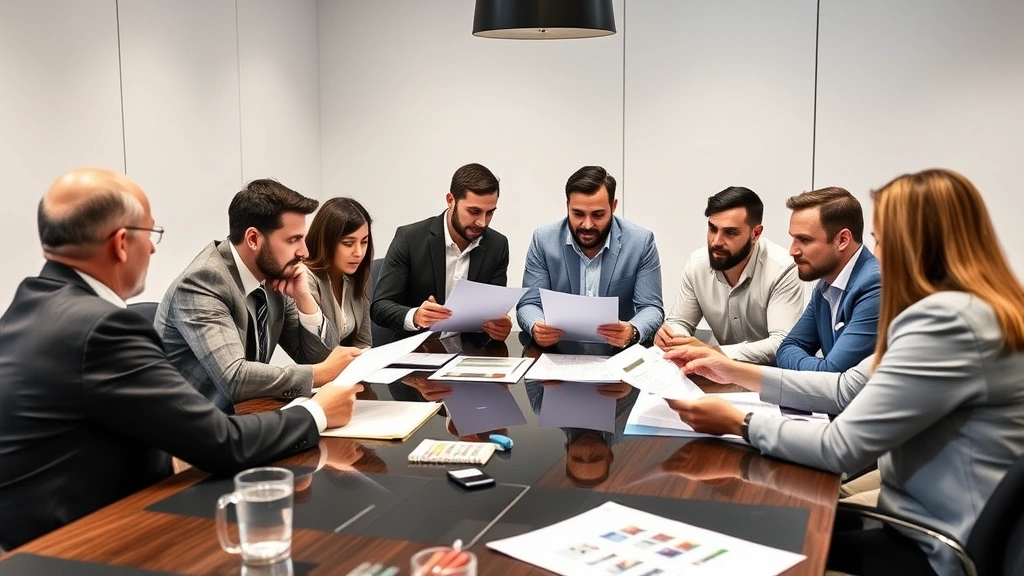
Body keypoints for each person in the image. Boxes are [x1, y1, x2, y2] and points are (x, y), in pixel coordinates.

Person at [666, 169, 1024, 576]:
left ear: (915, 243)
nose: (877, 252)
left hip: (935, 543)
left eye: (882, 239)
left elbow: (841, 446)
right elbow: (847, 387)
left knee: (767, 540)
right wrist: (732, 369)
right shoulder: (976, 308)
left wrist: (740, 421)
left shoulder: (944, 322)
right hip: (937, 509)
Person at [0, 168, 363, 551]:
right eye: (151, 234)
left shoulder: (28, 305)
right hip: (79, 543)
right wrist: (316, 413)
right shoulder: (103, 328)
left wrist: (306, 302)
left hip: (43, 529)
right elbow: (222, 443)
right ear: (122, 243)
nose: (154, 249)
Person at [156, 179, 360, 413]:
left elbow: (317, 357)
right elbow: (234, 378)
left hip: (244, 415)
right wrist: (318, 374)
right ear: (253, 239)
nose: (304, 252)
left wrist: (304, 298)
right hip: (189, 431)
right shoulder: (203, 280)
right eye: (293, 240)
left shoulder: (272, 275)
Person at [654, 186, 804, 365]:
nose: (716, 241)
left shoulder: (783, 269)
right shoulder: (697, 263)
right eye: (712, 229)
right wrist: (675, 339)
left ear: (755, 234)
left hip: (768, 377)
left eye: (730, 232)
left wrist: (710, 352)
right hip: (718, 372)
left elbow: (781, 343)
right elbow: (680, 321)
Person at [517, 166, 664, 348]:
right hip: (557, 353)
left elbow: (651, 307)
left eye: (598, 215)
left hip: (618, 354)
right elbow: (529, 303)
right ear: (567, 206)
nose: (587, 225)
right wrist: (536, 326)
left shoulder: (640, 242)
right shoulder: (543, 240)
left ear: (613, 206)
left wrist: (632, 330)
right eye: (578, 213)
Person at [370, 163, 512, 343]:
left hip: (471, 354)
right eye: (474, 211)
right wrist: (415, 316)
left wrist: (499, 327)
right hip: (419, 349)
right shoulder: (409, 239)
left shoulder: (498, 246)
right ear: (450, 200)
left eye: (490, 213)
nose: (482, 222)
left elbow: (493, 312)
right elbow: (380, 307)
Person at [775, 187, 880, 372]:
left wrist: (823, 369)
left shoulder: (874, 286)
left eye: (804, 240)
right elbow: (786, 348)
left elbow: (833, 374)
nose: (793, 251)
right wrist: (821, 368)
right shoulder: (825, 284)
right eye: (793, 239)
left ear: (843, 240)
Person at [304, 197, 374, 348]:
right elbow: (316, 352)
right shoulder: (306, 279)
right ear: (326, 241)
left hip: (350, 368)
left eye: (364, 242)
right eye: (348, 243)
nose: (359, 252)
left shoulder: (356, 275)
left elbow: (363, 342)